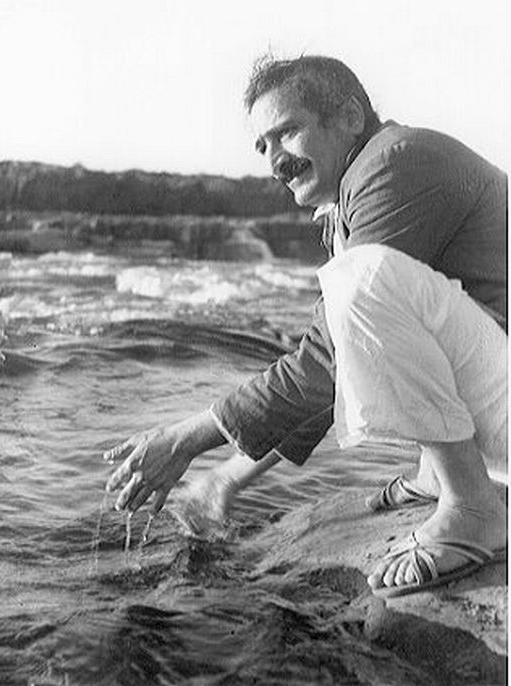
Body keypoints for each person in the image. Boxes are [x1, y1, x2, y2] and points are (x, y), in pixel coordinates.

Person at [105, 55, 507, 597]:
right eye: (262, 146)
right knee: (359, 286)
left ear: (346, 115)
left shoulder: (396, 163)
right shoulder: (353, 196)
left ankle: (472, 506)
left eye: (287, 132)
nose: (274, 160)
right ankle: (441, 475)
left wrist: (184, 441)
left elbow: (323, 362)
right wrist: (230, 476)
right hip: (497, 404)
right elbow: (343, 357)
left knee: (362, 280)